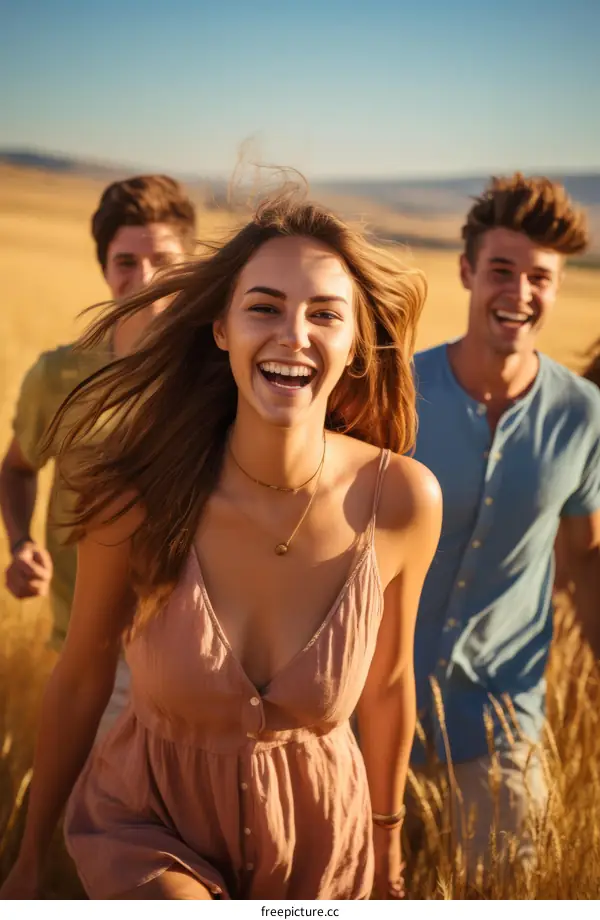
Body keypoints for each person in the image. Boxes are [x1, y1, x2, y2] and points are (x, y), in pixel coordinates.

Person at [0, 190, 442, 900]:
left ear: (355, 341)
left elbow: (388, 687)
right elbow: (82, 676)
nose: (293, 334)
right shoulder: (135, 498)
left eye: (324, 314)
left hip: (323, 847)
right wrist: (27, 859)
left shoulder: (402, 502)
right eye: (264, 307)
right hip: (150, 828)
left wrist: (387, 845)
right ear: (220, 329)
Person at [406, 173, 600, 877]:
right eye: (501, 271)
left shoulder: (582, 415)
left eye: (541, 277)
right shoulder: (398, 394)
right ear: (466, 271)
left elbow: (582, 562)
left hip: (500, 729)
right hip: (370, 716)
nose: (520, 293)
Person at [0, 175, 197, 734]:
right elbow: (16, 468)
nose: (145, 280)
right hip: (90, 651)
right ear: (105, 268)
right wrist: (19, 544)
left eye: (163, 259)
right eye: (126, 261)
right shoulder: (58, 376)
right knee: (90, 819)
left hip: (195, 659)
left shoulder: (219, 379)